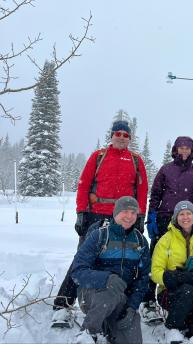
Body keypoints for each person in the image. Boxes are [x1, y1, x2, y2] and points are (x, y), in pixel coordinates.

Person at [52, 120, 148, 325]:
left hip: (124, 217)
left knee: (126, 259)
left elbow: (141, 190)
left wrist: (140, 216)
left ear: (129, 138)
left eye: (125, 134)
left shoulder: (136, 160)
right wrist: (81, 212)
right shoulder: (99, 156)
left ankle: (120, 301)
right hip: (97, 214)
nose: (121, 137)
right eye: (118, 133)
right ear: (112, 135)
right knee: (83, 259)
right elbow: (84, 184)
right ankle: (63, 305)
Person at [71, 196, 150, 344]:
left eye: (133, 212)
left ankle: (107, 326)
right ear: (116, 213)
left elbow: (144, 278)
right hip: (92, 294)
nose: (129, 216)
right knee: (108, 294)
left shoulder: (140, 241)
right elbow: (77, 271)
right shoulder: (99, 235)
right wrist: (106, 279)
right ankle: (88, 334)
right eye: (125, 211)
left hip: (121, 298)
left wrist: (132, 307)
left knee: (132, 338)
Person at [144, 136, 193, 314]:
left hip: (187, 221)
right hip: (165, 218)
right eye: (181, 148)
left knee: (183, 258)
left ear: (192, 151)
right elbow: (155, 194)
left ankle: (180, 295)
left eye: (188, 148)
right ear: (175, 150)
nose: (184, 151)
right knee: (155, 258)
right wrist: (152, 216)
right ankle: (148, 300)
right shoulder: (166, 170)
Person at [150, 201, 193, 338]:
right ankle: (172, 328)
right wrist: (171, 277)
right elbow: (155, 271)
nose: (185, 217)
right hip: (169, 292)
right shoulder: (165, 240)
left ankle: (183, 320)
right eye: (181, 214)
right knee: (187, 291)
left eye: (189, 213)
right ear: (175, 217)